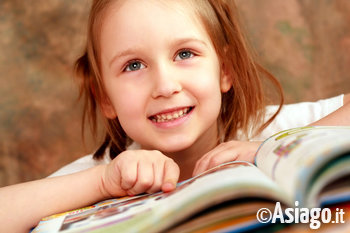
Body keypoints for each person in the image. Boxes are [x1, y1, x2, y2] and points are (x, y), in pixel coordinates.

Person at [0, 0, 349, 232]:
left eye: (184, 53)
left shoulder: (266, 130)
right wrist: (102, 183)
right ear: (105, 97)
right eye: (133, 65)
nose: (165, 86)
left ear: (224, 70)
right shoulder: (104, 176)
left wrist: (273, 146)